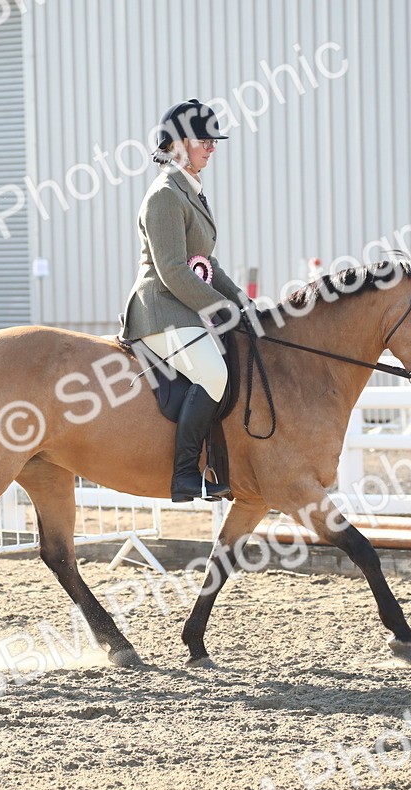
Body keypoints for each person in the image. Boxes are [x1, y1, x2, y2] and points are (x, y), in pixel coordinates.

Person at [118, 98, 252, 503]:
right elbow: (174, 270)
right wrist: (220, 308)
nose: (211, 147)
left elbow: (206, 263)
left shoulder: (190, 192)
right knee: (213, 374)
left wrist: (244, 304)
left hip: (184, 309)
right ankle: (185, 474)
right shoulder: (164, 195)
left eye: (214, 141)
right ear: (177, 145)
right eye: (203, 140)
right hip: (159, 310)